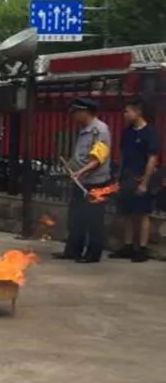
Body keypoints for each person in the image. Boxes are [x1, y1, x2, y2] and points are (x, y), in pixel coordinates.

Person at [54, 97, 113, 263]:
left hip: (95, 182)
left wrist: (81, 172)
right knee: (76, 218)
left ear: (85, 112)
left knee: (94, 219)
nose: (73, 116)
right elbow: (81, 156)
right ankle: (73, 250)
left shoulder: (100, 130)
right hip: (81, 181)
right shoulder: (84, 129)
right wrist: (72, 169)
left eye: (75, 112)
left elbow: (98, 158)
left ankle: (93, 254)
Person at [109, 100, 159, 263]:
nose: (125, 114)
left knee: (142, 214)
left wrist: (145, 182)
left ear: (137, 112)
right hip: (127, 177)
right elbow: (123, 156)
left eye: (127, 111)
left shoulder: (150, 133)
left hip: (140, 177)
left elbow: (152, 159)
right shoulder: (128, 132)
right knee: (127, 213)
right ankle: (128, 245)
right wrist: (118, 178)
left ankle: (142, 248)